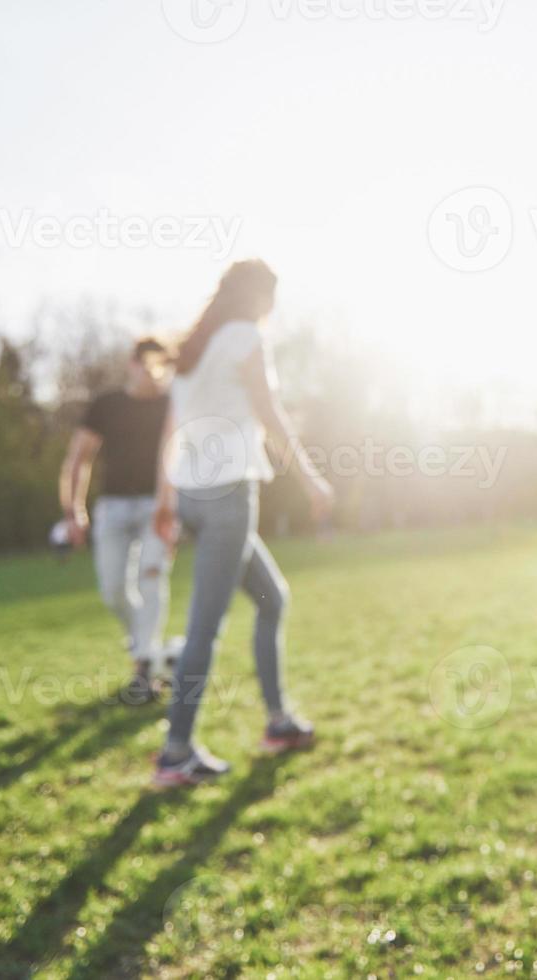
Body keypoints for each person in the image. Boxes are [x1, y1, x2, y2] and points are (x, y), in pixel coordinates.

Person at [150, 259, 334, 788]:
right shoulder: (243, 337)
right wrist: (311, 479)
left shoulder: (193, 349)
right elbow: (270, 413)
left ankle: (279, 722)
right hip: (228, 494)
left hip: (191, 493)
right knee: (204, 630)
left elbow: (171, 430)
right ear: (259, 297)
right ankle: (175, 753)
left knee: (272, 599)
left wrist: (165, 500)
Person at [59, 337, 178, 704]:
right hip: (113, 508)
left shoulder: (174, 404)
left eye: (163, 365)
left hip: (158, 506)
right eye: (147, 363)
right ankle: (151, 648)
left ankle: (143, 667)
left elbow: (182, 457)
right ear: (133, 363)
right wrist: (73, 509)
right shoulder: (107, 405)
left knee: (151, 578)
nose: (154, 372)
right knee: (113, 589)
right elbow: (79, 459)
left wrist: (172, 506)